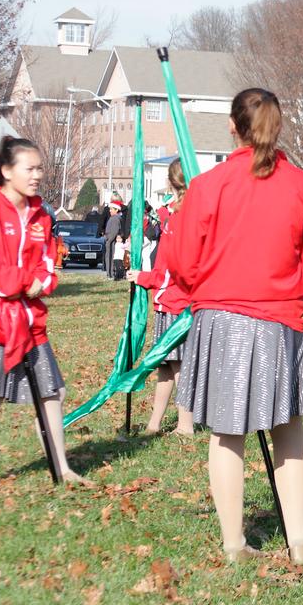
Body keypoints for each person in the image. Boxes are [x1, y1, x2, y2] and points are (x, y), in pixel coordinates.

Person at [170, 88, 303, 565]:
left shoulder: (208, 185)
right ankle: (298, 539)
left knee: (227, 433)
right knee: (288, 427)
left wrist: (209, 285)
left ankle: (234, 543)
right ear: (278, 126)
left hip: (225, 315)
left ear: (231, 126)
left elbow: (182, 260)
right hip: (277, 316)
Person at [0, 137, 91, 489]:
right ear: (6, 170)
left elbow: (48, 260)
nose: (37, 175)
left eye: (40, 168)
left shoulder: (40, 214)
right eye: (29, 168)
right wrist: (17, 281)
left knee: (52, 394)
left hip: (31, 321)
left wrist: (42, 281)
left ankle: (62, 467)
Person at [127, 160, 196, 436]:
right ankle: (154, 423)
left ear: (172, 182)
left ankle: (185, 424)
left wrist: (144, 278)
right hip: (169, 301)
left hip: (177, 304)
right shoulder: (173, 216)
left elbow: (173, 268)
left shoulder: (184, 219)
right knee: (165, 365)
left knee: (179, 365)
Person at [103, 201, 123, 277]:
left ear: (116, 210)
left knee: (110, 257)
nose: (110, 210)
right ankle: (109, 273)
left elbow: (114, 232)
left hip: (111, 241)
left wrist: (109, 240)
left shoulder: (115, 219)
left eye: (111, 209)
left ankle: (110, 274)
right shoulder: (113, 218)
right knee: (108, 257)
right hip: (109, 240)